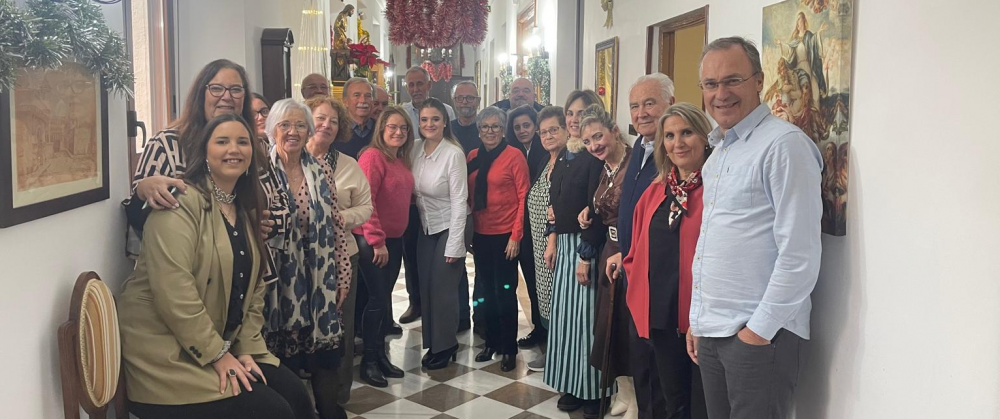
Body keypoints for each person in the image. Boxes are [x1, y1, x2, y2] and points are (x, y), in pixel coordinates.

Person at [120, 114, 315, 419]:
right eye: (222, 141)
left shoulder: (244, 206)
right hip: (167, 354)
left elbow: (255, 291)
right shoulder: (180, 203)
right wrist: (218, 355)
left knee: (297, 396)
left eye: (242, 141)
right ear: (204, 151)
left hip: (221, 340)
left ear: (253, 152)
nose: (233, 149)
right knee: (273, 412)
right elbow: (175, 294)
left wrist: (247, 348)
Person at [690, 36, 822, 419]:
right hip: (715, 330)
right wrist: (698, 320)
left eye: (732, 80)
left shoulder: (783, 146)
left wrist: (757, 333)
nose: (720, 93)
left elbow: (800, 254)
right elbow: (714, 243)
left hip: (760, 334)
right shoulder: (720, 153)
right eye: (710, 84)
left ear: (759, 80)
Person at [126, 59, 289, 283]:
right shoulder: (167, 144)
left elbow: (282, 203)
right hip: (189, 276)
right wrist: (143, 190)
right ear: (201, 93)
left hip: (250, 275)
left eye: (236, 89)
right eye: (217, 88)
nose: (227, 96)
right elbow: (137, 219)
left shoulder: (255, 145)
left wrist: (273, 224)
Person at [622, 103, 713, 419]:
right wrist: (636, 288)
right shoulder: (656, 190)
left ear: (705, 137)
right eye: (670, 135)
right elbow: (635, 248)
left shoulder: (716, 190)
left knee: (700, 402)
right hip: (658, 313)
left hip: (700, 316)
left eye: (687, 132)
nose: (678, 143)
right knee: (666, 399)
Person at [263, 99, 352, 419]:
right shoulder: (258, 170)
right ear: (272, 129)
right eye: (285, 124)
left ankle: (328, 414)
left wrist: (342, 274)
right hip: (275, 285)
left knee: (326, 358)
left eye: (301, 125)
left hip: (320, 281)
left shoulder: (320, 169)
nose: (293, 131)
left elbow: (336, 225)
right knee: (281, 362)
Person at [304, 96, 374, 408]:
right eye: (320, 118)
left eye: (333, 121)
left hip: (341, 256)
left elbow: (366, 207)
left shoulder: (348, 165)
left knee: (340, 327)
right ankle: (303, 395)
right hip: (299, 260)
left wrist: (340, 219)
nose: (326, 125)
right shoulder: (290, 160)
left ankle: (337, 397)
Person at [543, 93, 606, 419]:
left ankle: (593, 390)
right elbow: (555, 206)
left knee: (586, 324)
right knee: (567, 321)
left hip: (585, 248)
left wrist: (585, 253)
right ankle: (571, 383)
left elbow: (597, 208)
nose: (573, 118)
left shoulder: (595, 156)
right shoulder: (567, 153)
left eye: (580, 113)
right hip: (565, 246)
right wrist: (551, 238)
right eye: (569, 113)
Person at [618, 72, 675, 419]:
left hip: (659, 282)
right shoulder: (638, 146)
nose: (641, 113)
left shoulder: (678, 149)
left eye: (649, 103)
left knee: (662, 372)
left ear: (671, 102)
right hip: (632, 273)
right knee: (640, 364)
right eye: (635, 106)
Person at [576, 103, 637, 418]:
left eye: (598, 137)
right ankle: (624, 391)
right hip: (607, 252)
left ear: (614, 131)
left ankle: (639, 400)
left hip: (629, 251)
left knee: (629, 327)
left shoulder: (634, 163)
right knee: (608, 326)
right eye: (587, 142)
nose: (594, 145)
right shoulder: (603, 168)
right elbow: (602, 205)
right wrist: (589, 215)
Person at [354, 106, 415, 387]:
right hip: (372, 241)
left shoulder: (399, 160)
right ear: (381, 129)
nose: (398, 132)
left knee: (383, 299)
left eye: (403, 128)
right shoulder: (372, 157)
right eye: (392, 127)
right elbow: (367, 202)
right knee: (377, 300)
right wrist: (377, 241)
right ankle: (368, 362)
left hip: (393, 239)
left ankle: (380, 356)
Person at [467, 106, 529, 372]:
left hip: (506, 236)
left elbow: (523, 196)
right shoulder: (472, 156)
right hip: (481, 234)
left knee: (504, 293)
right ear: (478, 130)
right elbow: (467, 196)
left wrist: (516, 236)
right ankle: (490, 342)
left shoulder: (514, 156)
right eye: (485, 127)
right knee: (485, 293)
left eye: (495, 126)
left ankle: (508, 348)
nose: (490, 131)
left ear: (503, 130)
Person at [411, 98, 469, 369]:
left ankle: (446, 345)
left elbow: (460, 200)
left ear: (445, 122)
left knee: (443, 287)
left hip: (452, 224)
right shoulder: (415, 149)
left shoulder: (453, 153)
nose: (429, 124)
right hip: (427, 226)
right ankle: (433, 342)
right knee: (426, 286)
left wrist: (456, 244)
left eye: (435, 119)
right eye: (424, 120)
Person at [523, 106, 566, 372]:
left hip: (558, 246)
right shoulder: (544, 161)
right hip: (539, 246)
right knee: (545, 300)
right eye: (543, 132)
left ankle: (561, 358)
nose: (548, 136)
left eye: (554, 130)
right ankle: (553, 352)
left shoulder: (569, 161)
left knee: (560, 302)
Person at [505, 104, 547, 351]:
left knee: (543, 282)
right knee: (530, 281)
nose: (522, 130)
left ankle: (548, 329)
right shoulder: (514, 151)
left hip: (543, 228)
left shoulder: (546, 150)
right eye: (517, 127)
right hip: (521, 225)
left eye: (527, 125)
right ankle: (537, 328)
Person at [402, 66, 456, 139]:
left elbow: (451, 139)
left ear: (429, 85)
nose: (415, 89)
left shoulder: (447, 110)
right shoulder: (403, 113)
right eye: (411, 85)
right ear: (407, 89)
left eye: (419, 84)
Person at [333, 77, 375, 159]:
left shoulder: (382, 129)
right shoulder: (336, 130)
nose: (363, 100)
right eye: (357, 95)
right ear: (345, 101)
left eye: (368, 96)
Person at [451, 80, 483, 154]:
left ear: (478, 101)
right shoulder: (447, 129)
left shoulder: (487, 129)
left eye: (470, 98)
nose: (464, 102)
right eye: (460, 98)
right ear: (454, 101)